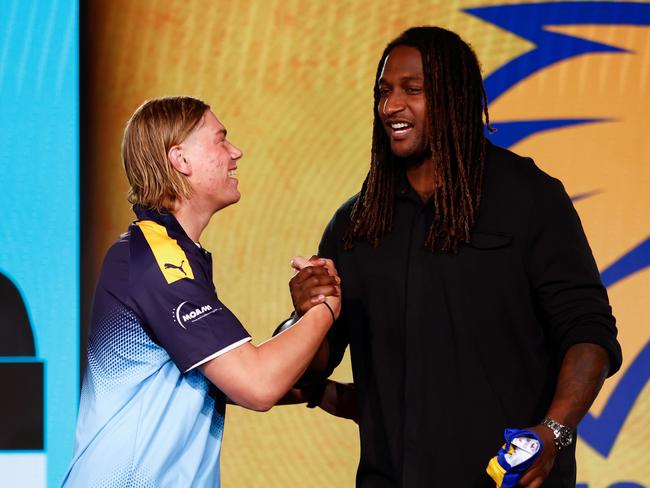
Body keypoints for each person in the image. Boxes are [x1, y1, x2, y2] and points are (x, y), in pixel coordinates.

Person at [287, 27, 622, 487]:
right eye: (384, 92)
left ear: (455, 97)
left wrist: (554, 433)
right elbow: (313, 365)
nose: (391, 106)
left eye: (413, 90)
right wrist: (306, 315)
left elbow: (589, 333)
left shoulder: (530, 199)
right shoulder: (355, 225)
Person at [62, 96, 341, 487]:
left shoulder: (172, 255)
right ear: (181, 159)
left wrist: (328, 392)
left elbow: (220, 382)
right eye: (220, 140)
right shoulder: (155, 260)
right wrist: (326, 307)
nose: (235, 152)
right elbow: (257, 385)